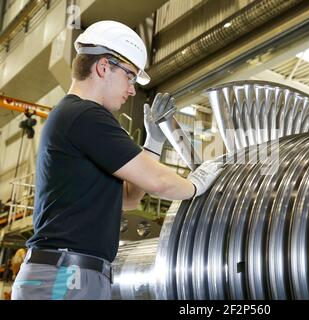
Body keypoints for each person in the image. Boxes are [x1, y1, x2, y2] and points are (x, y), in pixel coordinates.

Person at [11, 20, 223, 300]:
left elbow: (130, 197)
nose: (133, 89)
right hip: (63, 277)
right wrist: (196, 184)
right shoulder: (85, 116)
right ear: (102, 68)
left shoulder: (76, 118)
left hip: (75, 274)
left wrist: (154, 141)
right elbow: (158, 181)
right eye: (130, 77)